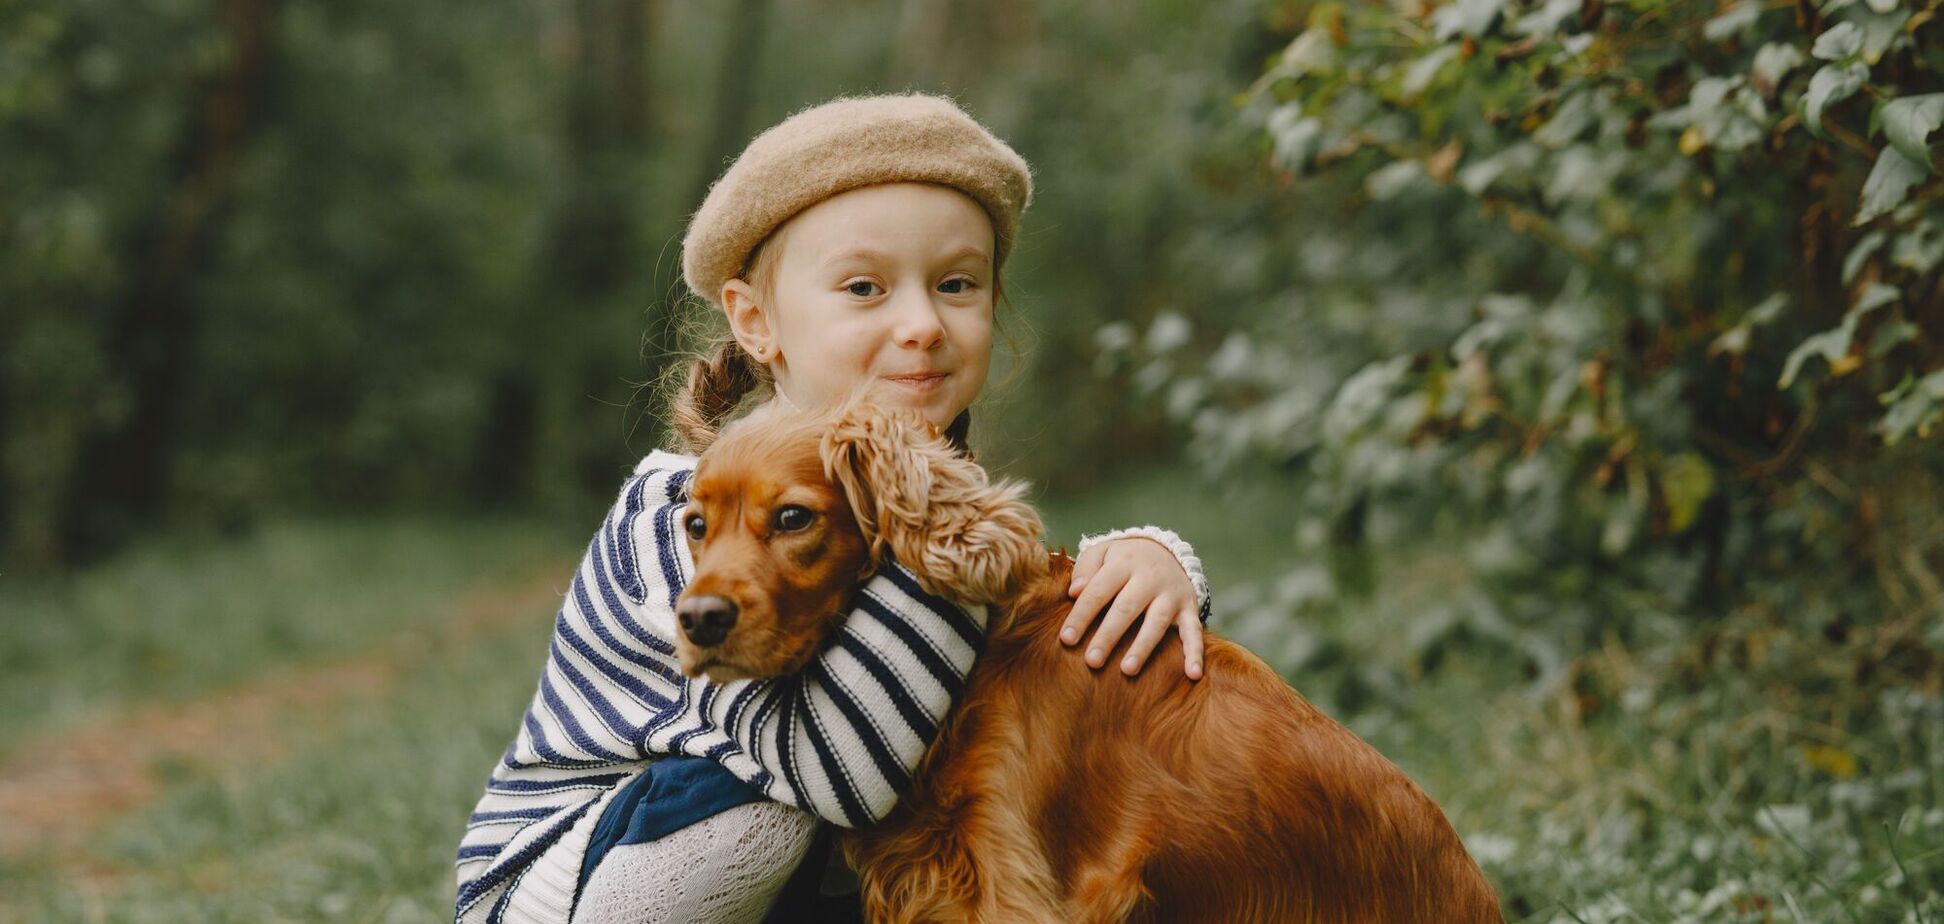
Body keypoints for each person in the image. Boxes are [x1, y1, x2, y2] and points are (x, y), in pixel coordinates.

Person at [453, 93, 1214, 924]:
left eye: (956, 284)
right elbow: (847, 772)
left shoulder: (900, 497)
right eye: (863, 287)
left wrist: (1146, 558)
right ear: (756, 322)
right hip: (569, 877)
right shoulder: (676, 516)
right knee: (764, 809)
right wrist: (957, 545)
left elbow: (1012, 642)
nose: (921, 324)